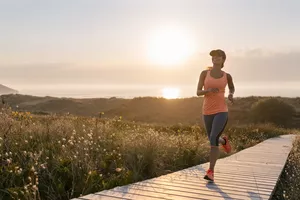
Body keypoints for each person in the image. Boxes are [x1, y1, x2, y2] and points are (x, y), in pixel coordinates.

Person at [196, 49, 235, 182]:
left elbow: (231, 87)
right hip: (207, 111)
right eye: (213, 57)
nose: (215, 59)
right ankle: (224, 141)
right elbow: (198, 92)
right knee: (212, 139)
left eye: (218, 57)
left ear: (223, 60)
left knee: (213, 137)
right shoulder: (204, 73)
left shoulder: (227, 76)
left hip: (221, 110)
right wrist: (208, 90)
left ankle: (211, 171)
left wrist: (230, 95)